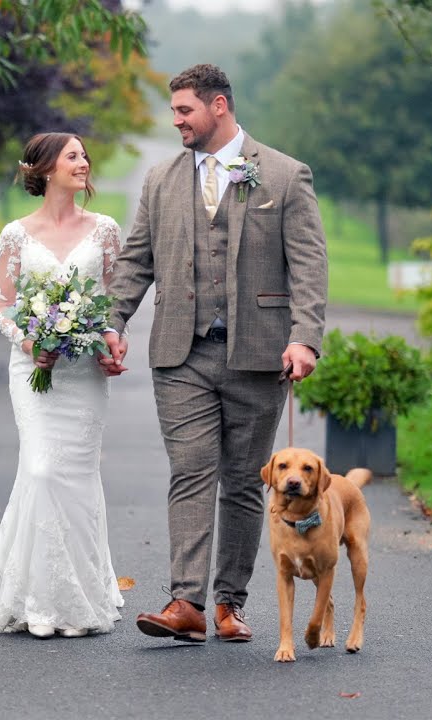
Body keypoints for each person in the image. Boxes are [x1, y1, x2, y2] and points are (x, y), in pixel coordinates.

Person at [99, 64, 328, 643]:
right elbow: (135, 260)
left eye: (184, 111)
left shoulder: (283, 174)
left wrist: (305, 336)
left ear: (218, 106)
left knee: (244, 482)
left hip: (258, 353)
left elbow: (308, 264)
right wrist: (113, 321)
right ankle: (186, 602)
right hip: (182, 354)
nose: (175, 121)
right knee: (190, 471)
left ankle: (229, 602)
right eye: (174, 111)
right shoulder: (159, 180)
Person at [0, 132, 125, 639]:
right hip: (34, 370)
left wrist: (111, 338)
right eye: (73, 156)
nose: (84, 162)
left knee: (77, 475)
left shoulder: (106, 231)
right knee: (42, 469)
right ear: (46, 168)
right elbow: (2, 306)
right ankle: (40, 600)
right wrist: (31, 344)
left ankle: (78, 596)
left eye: (85, 155)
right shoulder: (16, 235)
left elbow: (113, 301)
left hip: (85, 375)